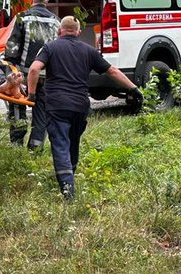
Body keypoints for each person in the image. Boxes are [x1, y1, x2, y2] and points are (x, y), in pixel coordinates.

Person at [27, 16, 143, 201]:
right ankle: (70, 177)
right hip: (80, 106)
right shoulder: (89, 50)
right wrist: (133, 88)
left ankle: (67, 189)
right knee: (72, 144)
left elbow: (34, 69)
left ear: (59, 31)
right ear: (78, 32)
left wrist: (31, 94)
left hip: (56, 106)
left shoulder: (50, 47)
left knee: (60, 145)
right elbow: (112, 71)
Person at [3, 0, 60, 150]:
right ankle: (36, 147)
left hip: (23, 73)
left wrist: (11, 69)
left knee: (17, 106)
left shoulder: (22, 18)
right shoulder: (56, 21)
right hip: (45, 75)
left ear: (31, 0)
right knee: (41, 110)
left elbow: (12, 46)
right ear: (47, 1)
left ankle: (17, 143)